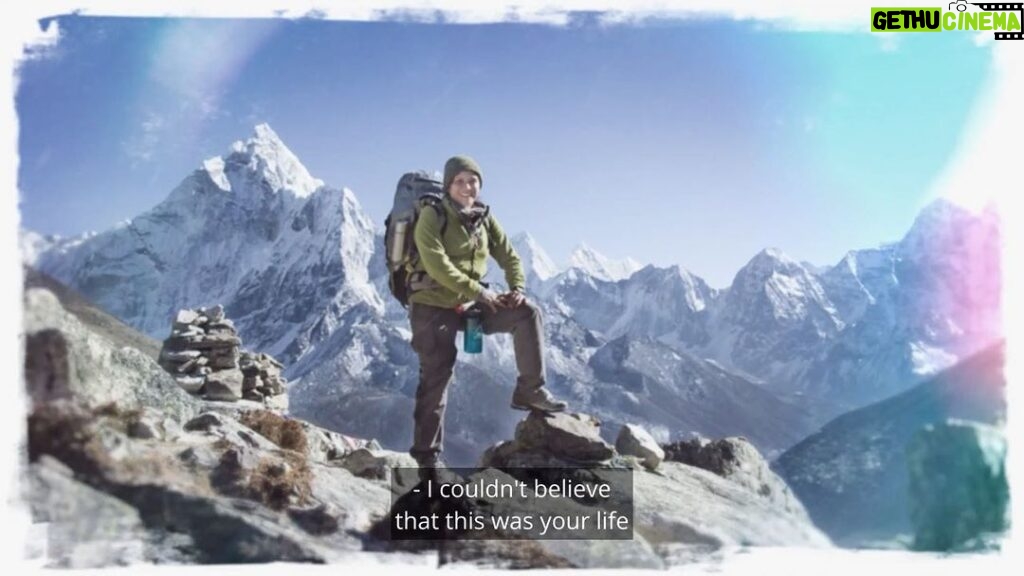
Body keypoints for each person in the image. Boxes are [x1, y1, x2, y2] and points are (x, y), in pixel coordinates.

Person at [406, 155, 567, 471]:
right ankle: (427, 457)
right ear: (448, 185)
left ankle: (529, 390)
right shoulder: (432, 215)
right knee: (438, 373)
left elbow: (509, 256)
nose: (468, 187)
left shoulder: (483, 218)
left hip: (467, 302)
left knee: (526, 314)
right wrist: (479, 291)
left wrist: (517, 288)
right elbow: (437, 264)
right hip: (431, 305)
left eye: (473, 180)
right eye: (460, 181)